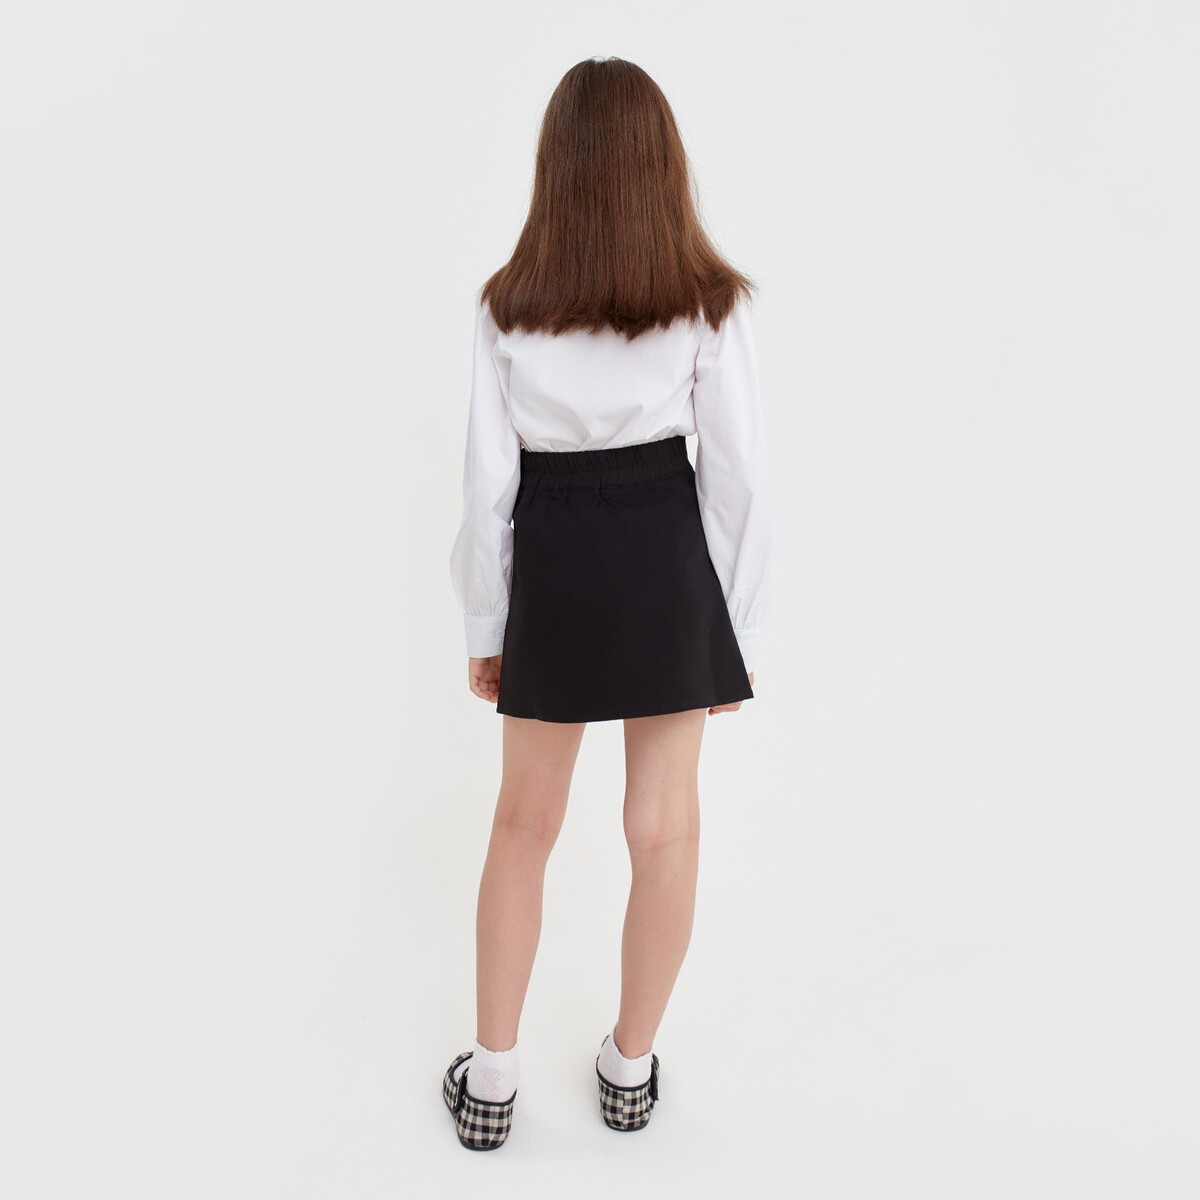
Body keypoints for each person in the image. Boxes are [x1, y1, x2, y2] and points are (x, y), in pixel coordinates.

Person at [442, 56, 776, 1150]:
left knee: (521, 822)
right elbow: (738, 479)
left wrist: (487, 621)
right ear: (661, 168)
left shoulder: (508, 307)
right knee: (665, 826)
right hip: (664, 563)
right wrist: (732, 630)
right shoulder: (706, 302)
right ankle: (629, 1069)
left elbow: (487, 486)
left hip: (556, 563)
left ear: (558, 169)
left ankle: (492, 1083)